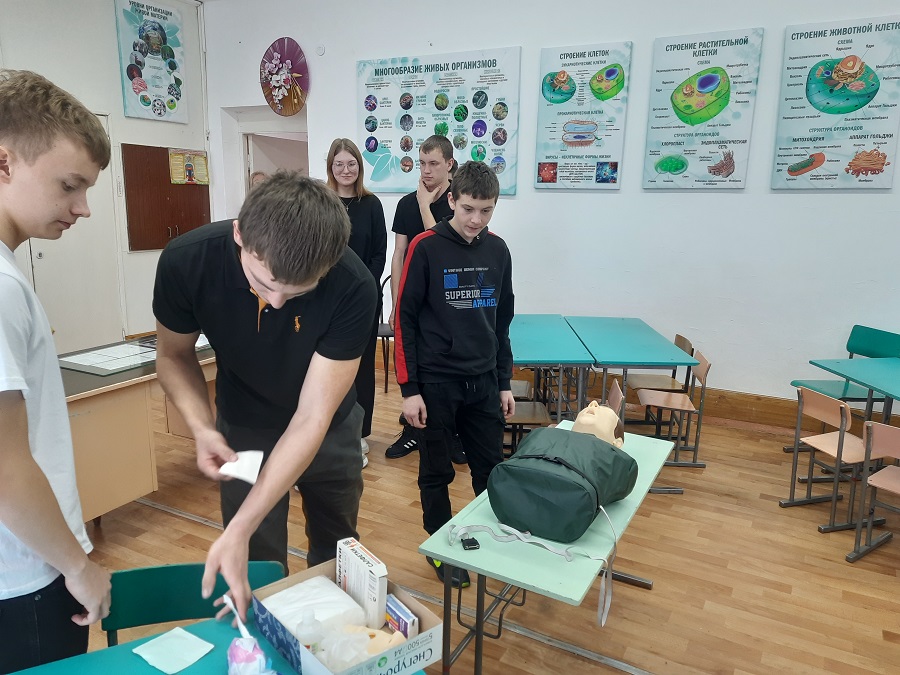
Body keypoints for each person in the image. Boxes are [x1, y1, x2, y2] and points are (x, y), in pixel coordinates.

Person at [153, 172, 377, 620]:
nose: (275, 303)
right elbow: (173, 356)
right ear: (239, 234)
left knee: (337, 548)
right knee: (256, 558)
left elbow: (312, 417)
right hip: (244, 427)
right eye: (263, 282)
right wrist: (202, 428)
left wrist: (237, 527)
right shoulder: (187, 261)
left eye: (297, 292)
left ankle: (330, 638)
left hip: (329, 430)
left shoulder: (353, 284)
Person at [0, 69, 112, 672]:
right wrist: (77, 565)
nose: (83, 208)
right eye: (70, 185)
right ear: (4, 162)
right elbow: (5, 466)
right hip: (24, 577)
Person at [394, 161, 515, 587]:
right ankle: (440, 548)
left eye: (486, 210)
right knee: (436, 472)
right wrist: (409, 389)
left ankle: (495, 542)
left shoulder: (498, 250)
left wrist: (504, 382)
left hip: (483, 382)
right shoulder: (425, 247)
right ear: (451, 201)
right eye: (467, 209)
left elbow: (502, 322)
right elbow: (404, 319)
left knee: (490, 469)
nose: (476, 220)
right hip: (436, 384)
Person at [386, 135, 458, 461]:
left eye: (433, 164)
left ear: (449, 165)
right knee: (414, 365)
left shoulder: (458, 202)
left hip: (447, 300)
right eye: (422, 164)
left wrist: (426, 206)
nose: (426, 171)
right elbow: (399, 255)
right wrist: (396, 303)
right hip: (414, 299)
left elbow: (440, 247)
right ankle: (413, 432)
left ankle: (451, 433)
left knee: (445, 369)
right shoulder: (406, 204)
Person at [325, 139, 386, 467]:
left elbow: (379, 252)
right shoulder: (321, 202)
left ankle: (360, 434)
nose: (345, 170)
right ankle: (331, 430)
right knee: (327, 366)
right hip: (326, 299)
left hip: (364, 299)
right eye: (339, 164)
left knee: (361, 367)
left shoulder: (371, 204)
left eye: (351, 164)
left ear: (359, 167)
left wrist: (363, 287)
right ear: (331, 167)